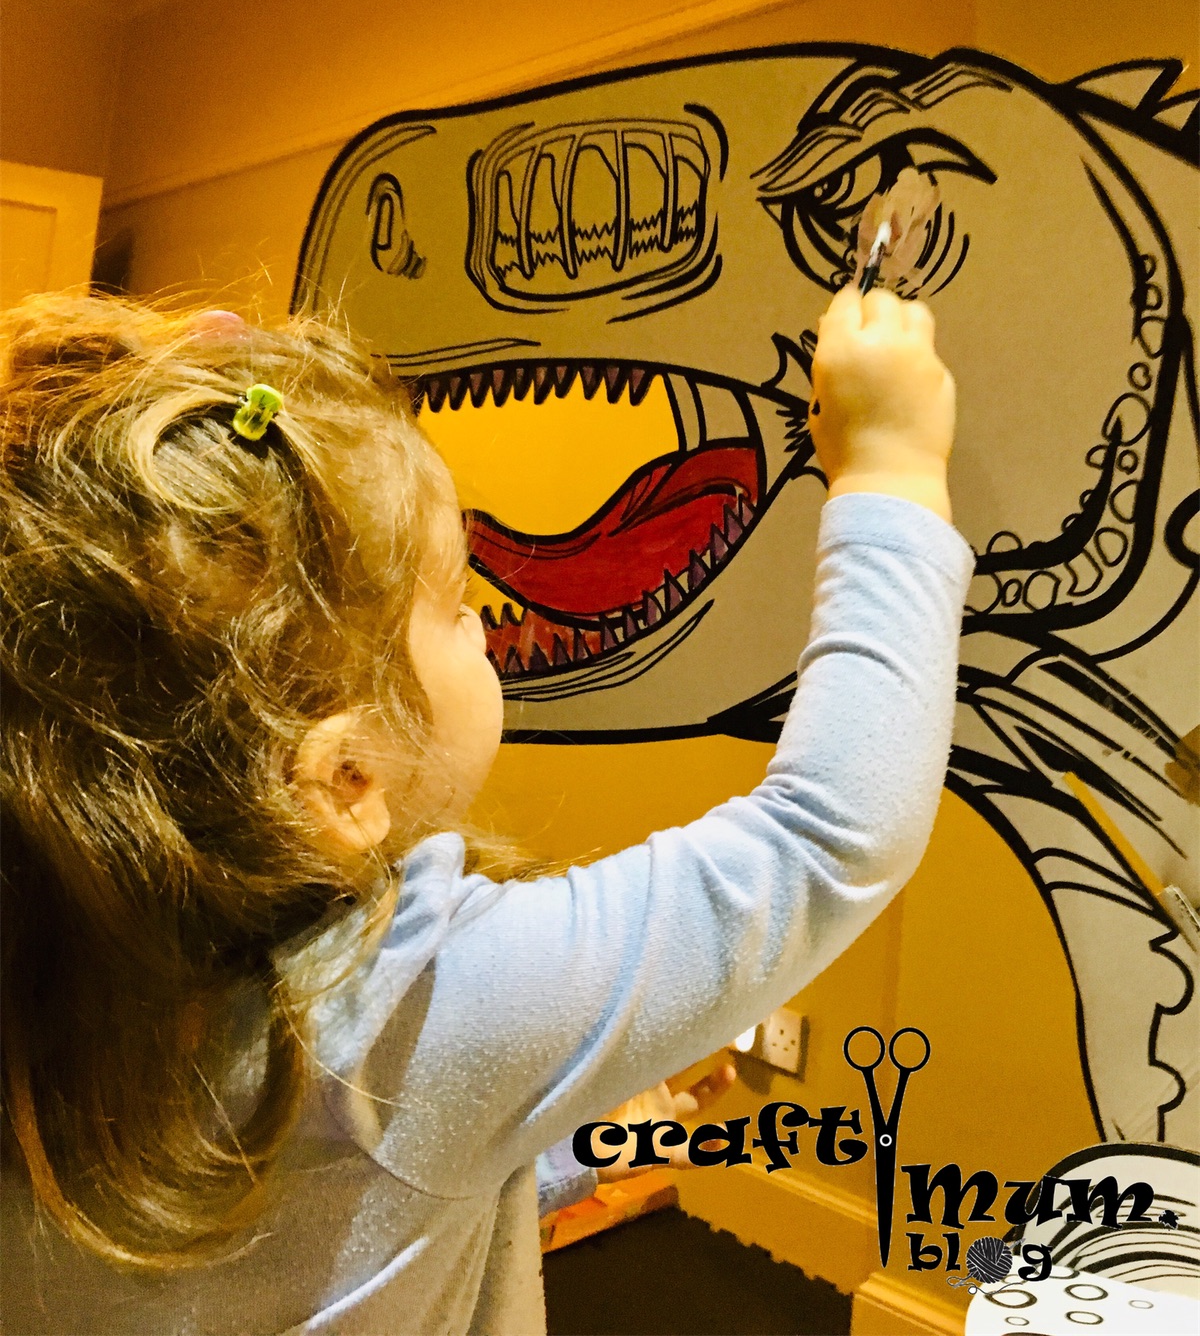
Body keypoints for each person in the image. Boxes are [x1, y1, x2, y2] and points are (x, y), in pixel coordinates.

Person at [1, 285, 971, 1335]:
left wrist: (556, 1140)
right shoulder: (410, 1003)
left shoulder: (56, 972)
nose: (482, 630)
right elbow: (831, 834)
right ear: (346, 778)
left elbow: (322, 1222)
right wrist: (892, 466)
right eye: (458, 602)